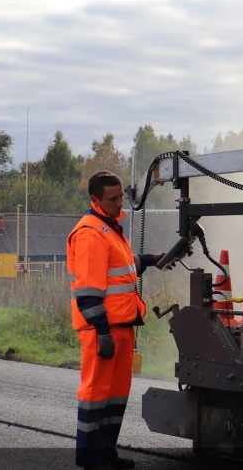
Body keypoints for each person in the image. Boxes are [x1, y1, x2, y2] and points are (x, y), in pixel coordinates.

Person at [67, 170, 159, 470]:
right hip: (101, 330)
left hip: (121, 327)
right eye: (113, 199)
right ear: (95, 200)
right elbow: (88, 293)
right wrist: (103, 332)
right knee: (96, 395)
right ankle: (91, 460)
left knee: (115, 397)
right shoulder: (91, 233)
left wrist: (150, 259)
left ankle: (106, 453)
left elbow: (124, 269)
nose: (121, 203)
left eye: (121, 196)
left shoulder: (110, 228)